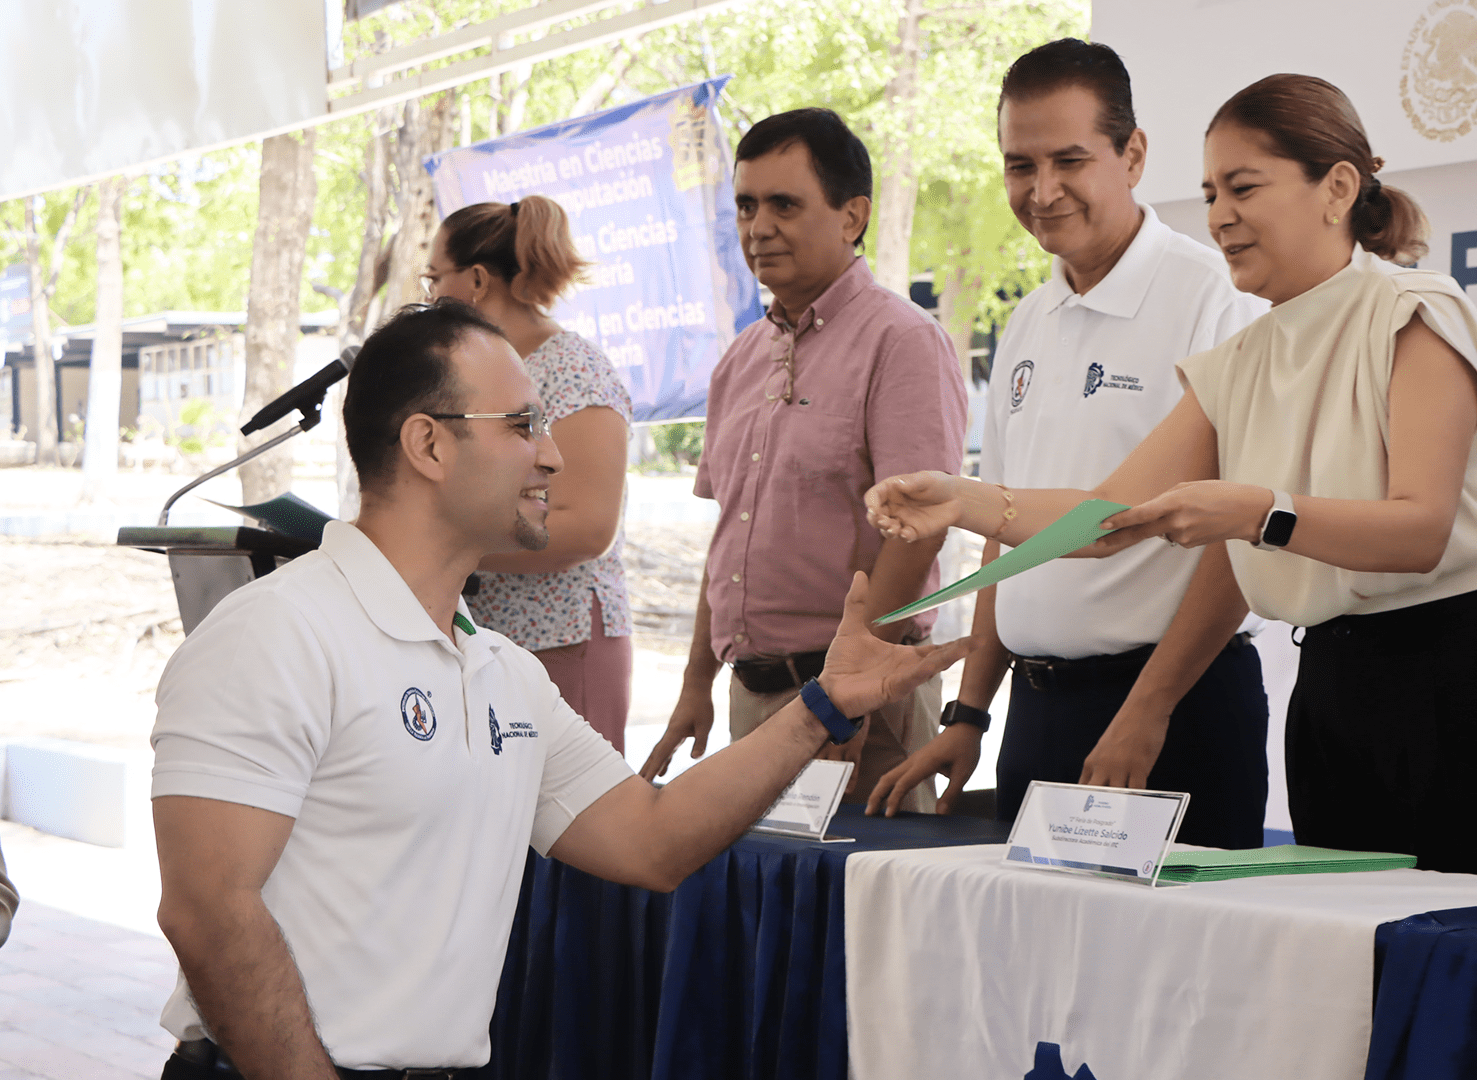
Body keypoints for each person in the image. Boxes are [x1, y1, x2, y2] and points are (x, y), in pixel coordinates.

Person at [149, 301, 967, 1079]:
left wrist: (821, 705)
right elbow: (208, 911)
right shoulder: (276, 633)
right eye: (522, 425)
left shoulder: (502, 671)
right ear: (428, 446)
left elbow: (650, 840)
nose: (552, 453)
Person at [867, 74, 1477, 887]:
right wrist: (963, 497)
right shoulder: (1239, 363)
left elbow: (1419, 528)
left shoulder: (1415, 311)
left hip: (1475, 679)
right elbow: (1107, 517)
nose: (1220, 214)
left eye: (1244, 187)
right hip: (1336, 692)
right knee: (1354, 981)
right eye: (1211, 191)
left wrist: (1260, 513)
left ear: (1337, 188)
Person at [862, 39, 1272, 849]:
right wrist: (970, 713)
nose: (1042, 191)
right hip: (1037, 711)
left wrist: (1148, 708)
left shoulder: (1216, 300)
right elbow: (1000, 544)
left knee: (1171, 972)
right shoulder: (1026, 321)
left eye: (1069, 161)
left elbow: (1239, 547)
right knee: (1036, 970)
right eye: (1020, 165)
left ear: (1134, 155)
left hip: (1171, 707)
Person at [640, 108, 968, 810]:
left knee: (860, 916)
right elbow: (729, 539)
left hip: (859, 706)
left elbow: (918, 533)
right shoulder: (739, 359)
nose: (758, 228)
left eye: (784, 204)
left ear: (853, 217)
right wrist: (696, 683)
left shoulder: (902, 342)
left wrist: (842, 697)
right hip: (752, 701)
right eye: (746, 205)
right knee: (771, 917)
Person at [421, 194, 637, 754]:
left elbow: (588, 527)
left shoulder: (573, 367)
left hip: (562, 642)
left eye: (433, 278)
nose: (427, 298)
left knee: (575, 837)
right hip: (486, 641)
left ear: (474, 280)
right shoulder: (475, 376)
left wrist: (443, 546)